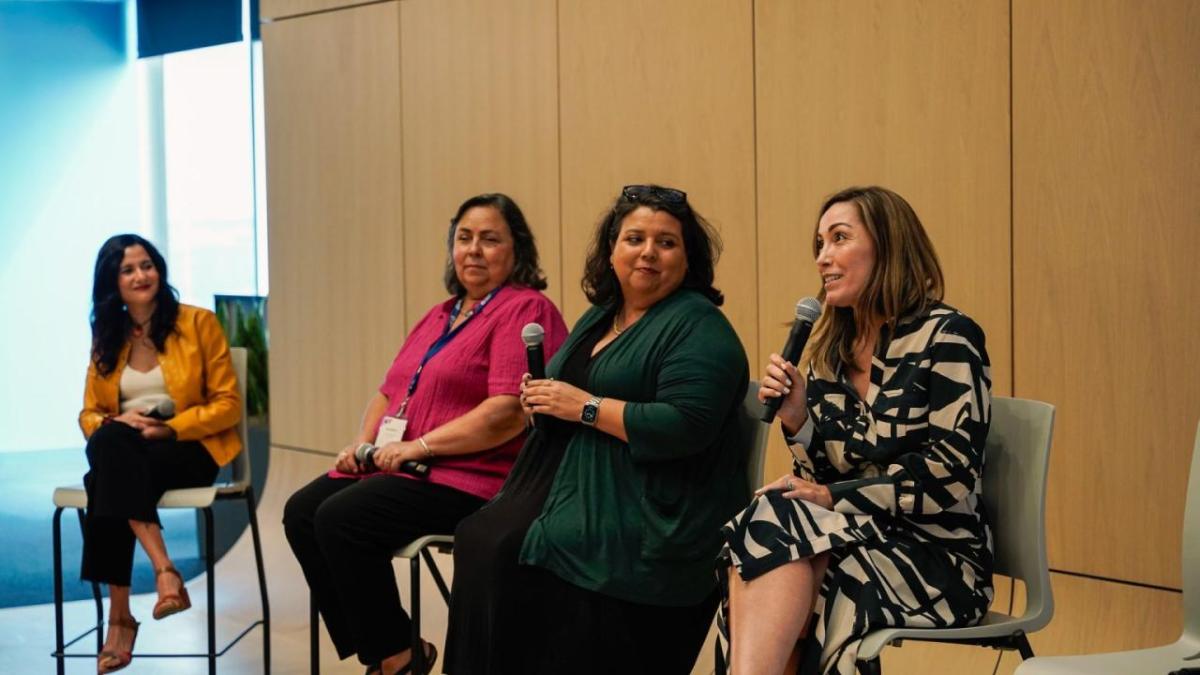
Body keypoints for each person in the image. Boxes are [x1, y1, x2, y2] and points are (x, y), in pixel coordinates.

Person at [443, 185, 750, 675]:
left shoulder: (701, 327)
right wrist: (541, 398)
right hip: (575, 487)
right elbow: (570, 393)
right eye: (634, 238)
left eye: (666, 242)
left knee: (517, 551)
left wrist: (584, 407)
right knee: (482, 538)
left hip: (652, 511)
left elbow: (686, 425)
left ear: (688, 258)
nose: (648, 252)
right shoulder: (601, 316)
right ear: (611, 251)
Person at [282, 193, 566, 675]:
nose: (474, 250)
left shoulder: (525, 309)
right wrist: (361, 444)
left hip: (474, 476)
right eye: (464, 238)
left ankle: (392, 659)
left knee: (341, 518)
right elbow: (388, 393)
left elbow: (506, 412)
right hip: (405, 467)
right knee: (302, 512)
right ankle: (394, 651)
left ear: (517, 250)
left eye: (490, 239)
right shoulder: (441, 313)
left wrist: (419, 446)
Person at [720, 186, 993, 675]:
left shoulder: (947, 337)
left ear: (887, 246)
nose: (824, 258)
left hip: (938, 554)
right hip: (856, 536)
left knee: (815, 569)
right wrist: (799, 421)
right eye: (819, 245)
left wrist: (831, 495)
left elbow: (951, 473)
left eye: (839, 239)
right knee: (771, 526)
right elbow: (822, 476)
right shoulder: (829, 354)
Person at [78, 234, 243, 673]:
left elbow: (229, 404)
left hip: (190, 448)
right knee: (111, 450)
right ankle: (164, 571)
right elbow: (89, 413)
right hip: (128, 453)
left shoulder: (198, 323)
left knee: (103, 478)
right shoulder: (107, 336)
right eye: (128, 269)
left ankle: (120, 619)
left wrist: (167, 427)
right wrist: (119, 424)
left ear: (160, 269)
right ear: (113, 282)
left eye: (147, 265)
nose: (141, 275)